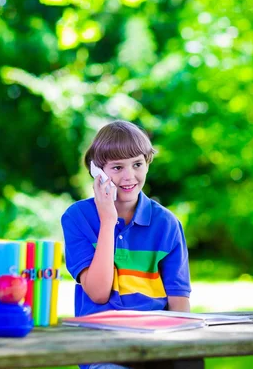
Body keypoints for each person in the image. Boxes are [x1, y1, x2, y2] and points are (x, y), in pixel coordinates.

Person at [61, 119, 192, 319]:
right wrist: (107, 221)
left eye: (137, 164)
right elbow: (98, 294)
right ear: (97, 171)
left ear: (147, 164)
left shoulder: (167, 224)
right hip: (98, 334)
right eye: (117, 168)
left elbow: (179, 301)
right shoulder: (77, 217)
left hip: (153, 332)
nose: (129, 176)